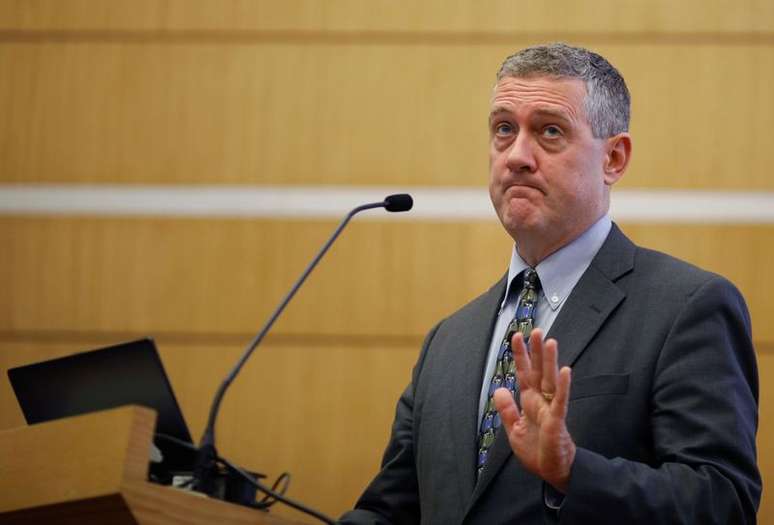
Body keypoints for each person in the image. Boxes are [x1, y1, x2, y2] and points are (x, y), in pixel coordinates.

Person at [339, 43, 761, 524]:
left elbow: (722, 502)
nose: (517, 156)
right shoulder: (447, 341)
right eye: (503, 129)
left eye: (550, 131)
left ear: (614, 159)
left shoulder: (687, 307)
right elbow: (390, 510)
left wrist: (572, 471)